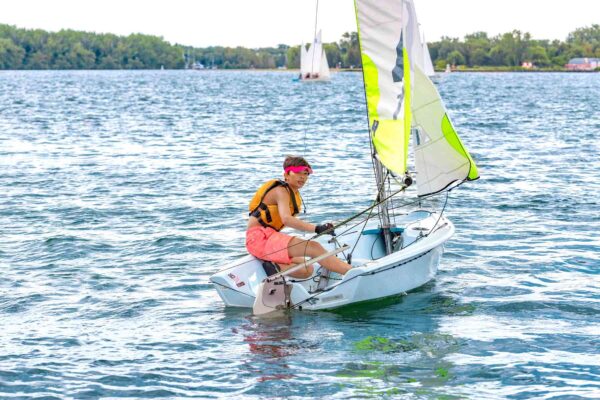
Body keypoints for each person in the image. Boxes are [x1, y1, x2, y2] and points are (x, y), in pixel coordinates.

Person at [246, 156, 352, 279]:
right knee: (314, 247)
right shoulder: (281, 191)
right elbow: (287, 219)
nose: (302, 177)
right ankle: (354, 272)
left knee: (307, 269)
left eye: (306, 174)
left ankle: (274, 267)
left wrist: (322, 227)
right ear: (286, 174)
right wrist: (317, 228)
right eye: (297, 173)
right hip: (259, 240)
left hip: (268, 239)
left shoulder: (293, 192)